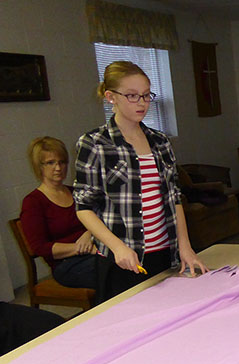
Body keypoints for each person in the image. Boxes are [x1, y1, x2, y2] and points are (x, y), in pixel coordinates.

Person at [74, 61, 208, 302]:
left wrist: (185, 247)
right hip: (122, 257)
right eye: (132, 96)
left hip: (164, 252)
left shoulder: (160, 142)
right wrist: (117, 247)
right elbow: (84, 209)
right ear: (110, 97)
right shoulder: (94, 143)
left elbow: (174, 198)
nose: (142, 103)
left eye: (146, 96)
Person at [20, 137, 97, 289]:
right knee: (110, 269)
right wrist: (81, 248)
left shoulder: (75, 192)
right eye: (50, 163)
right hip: (66, 265)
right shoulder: (33, 202)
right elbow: (40, 247)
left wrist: (89, 233)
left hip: (93, 252)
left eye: (62, 162)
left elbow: (98, 218)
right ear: (39, 166)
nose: (58, 168)